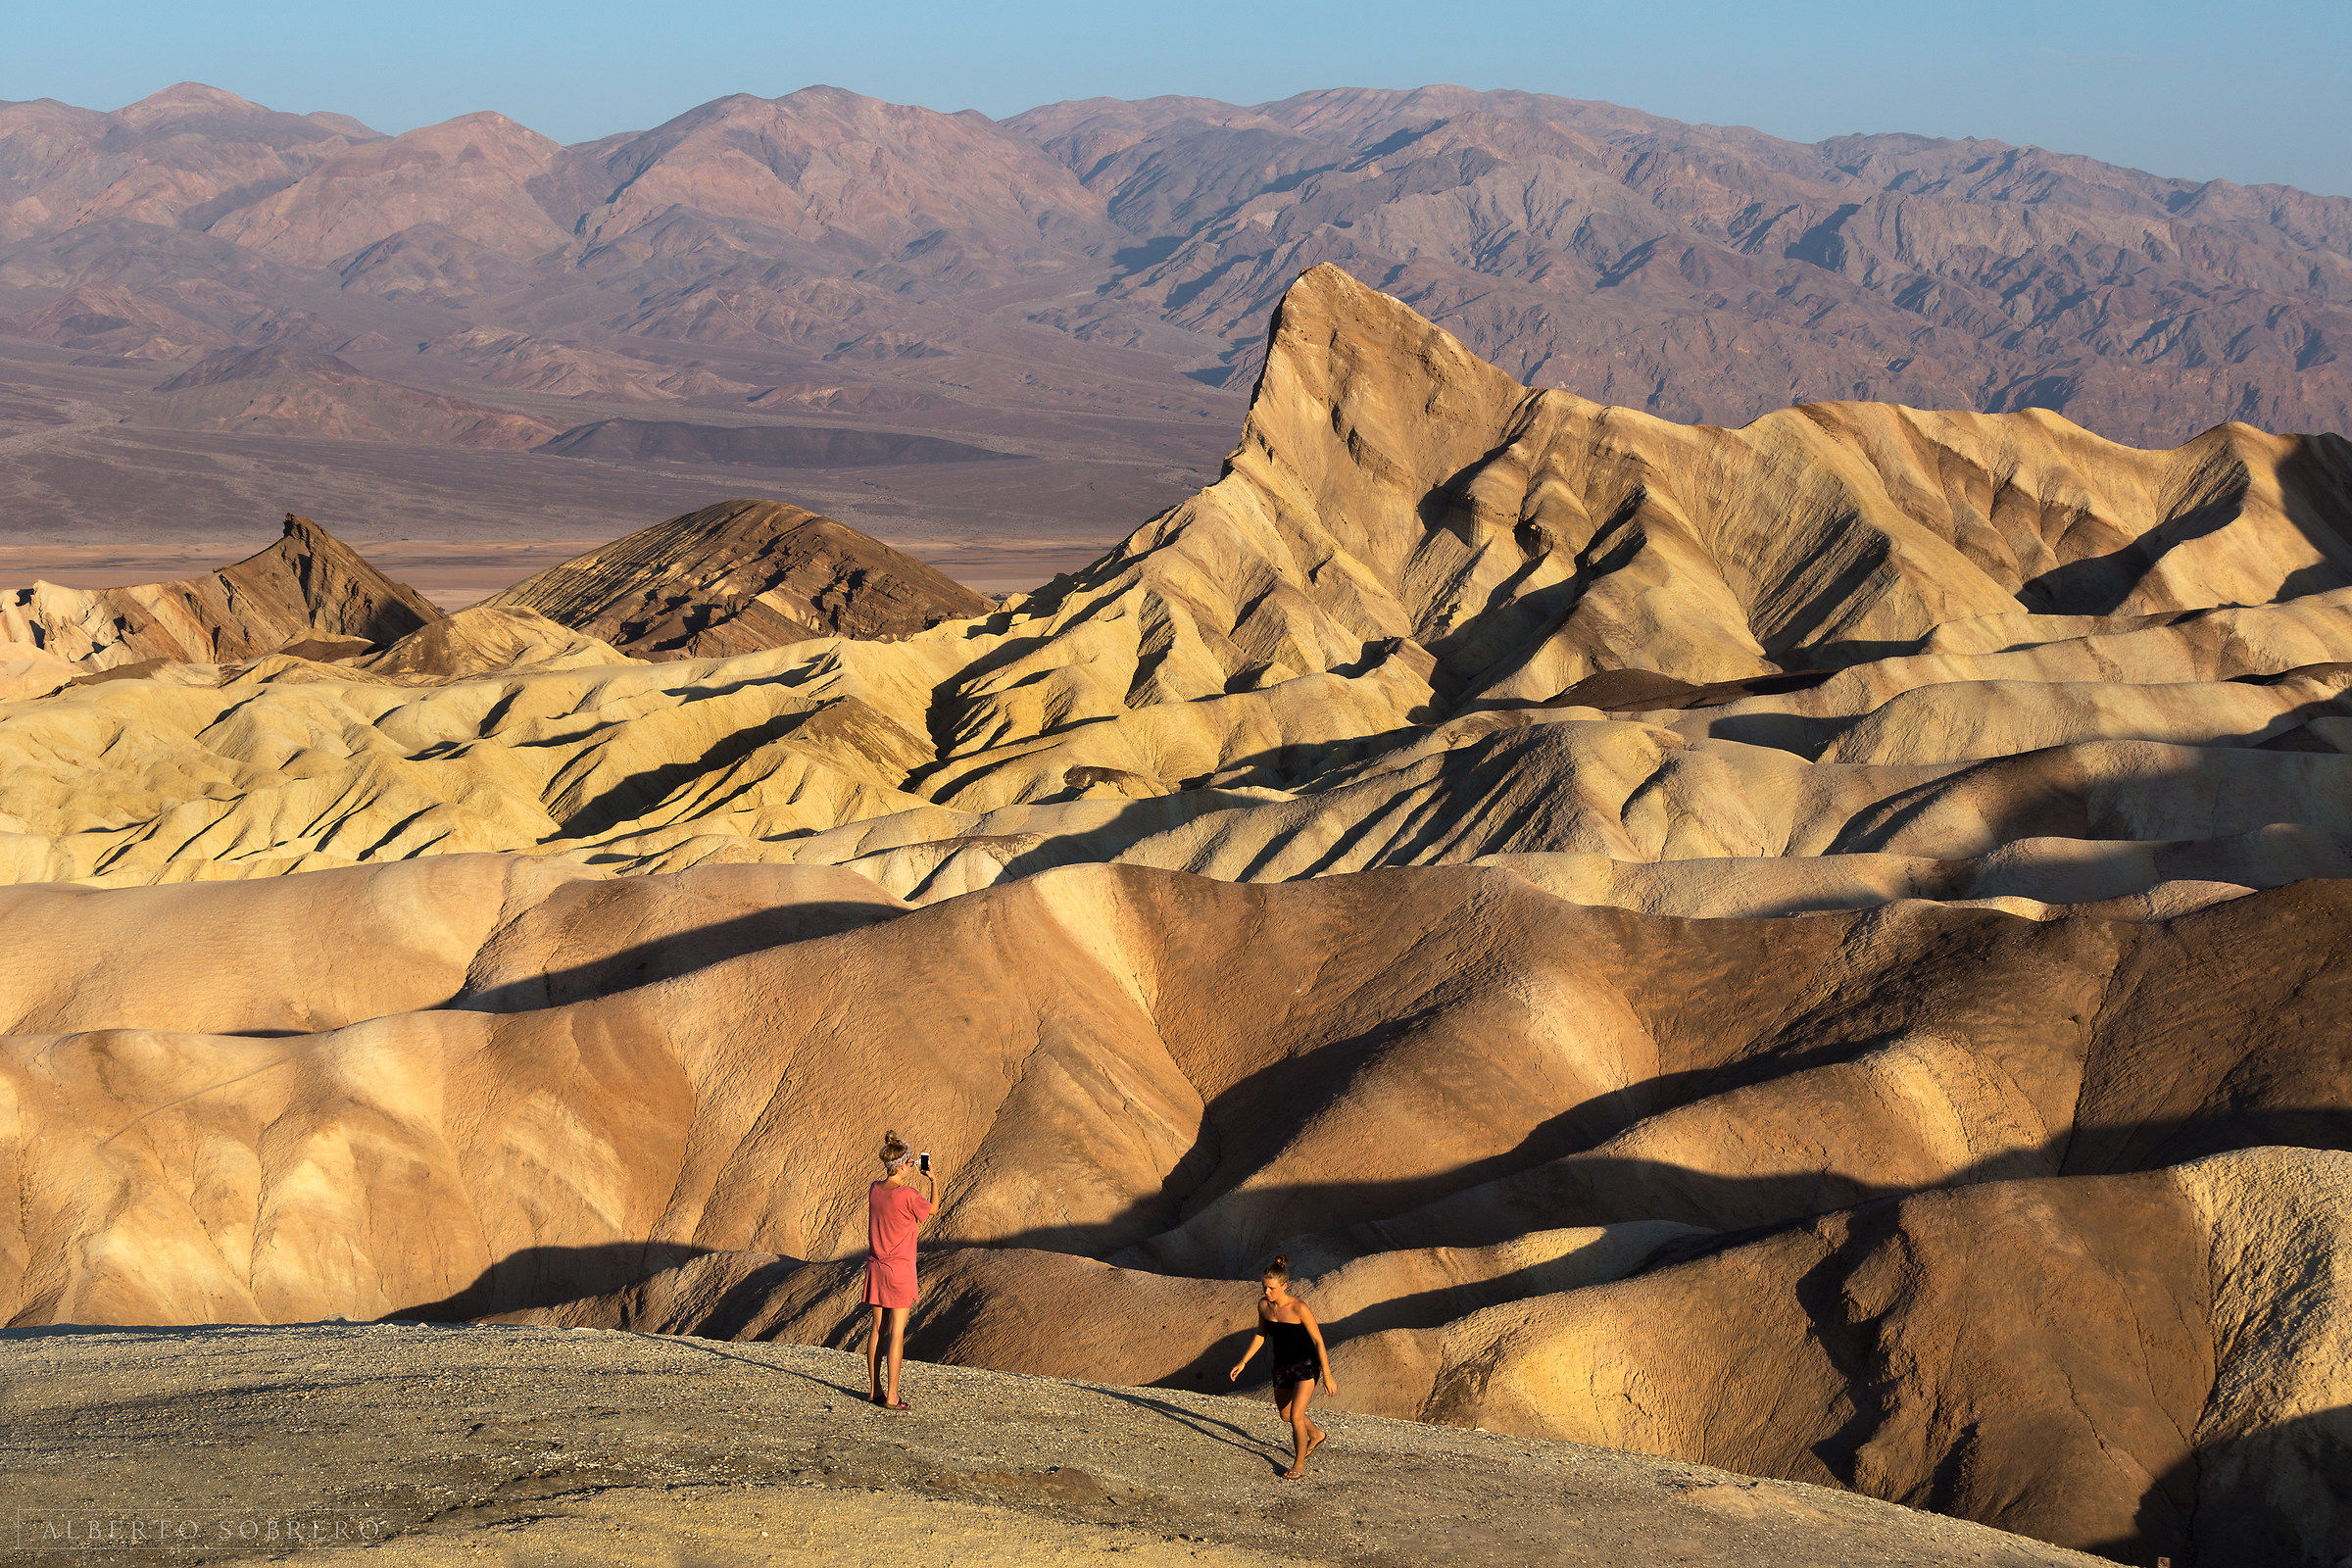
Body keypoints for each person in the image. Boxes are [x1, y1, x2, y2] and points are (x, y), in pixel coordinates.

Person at [1226, 1254, 1337, 1479]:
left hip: (1305, 1366)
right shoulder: (1264, 1306)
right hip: (1281, 1367)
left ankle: (1298, 1464)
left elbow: (1318, 1341)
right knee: (1285, 1415)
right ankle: (1316, 1435)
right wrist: (1243, 1361)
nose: (1267, 1293)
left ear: (1285, 1285)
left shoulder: (1299, 1308)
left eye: (1272, 1288)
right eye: (1264, 1287)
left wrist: (1327, 1374)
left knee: (1297, 1416)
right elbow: (1260, 1335)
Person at [863, 1130, 936, 1412]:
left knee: (877, 1329)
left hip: (876, 1268)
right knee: (896, 1334)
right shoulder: (909, 1194)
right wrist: (934, 1180)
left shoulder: (874, 1188)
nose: (912, 1166)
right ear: (903, 1165)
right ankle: (892, 1397)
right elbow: (934, 1210)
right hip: (900, 1271)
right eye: (910, 1163)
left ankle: (874, 1391)